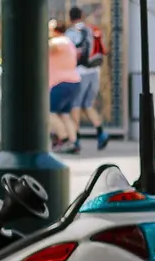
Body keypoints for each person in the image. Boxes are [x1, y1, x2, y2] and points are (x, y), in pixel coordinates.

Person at [65, 7, 109, 150]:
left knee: (75, 106)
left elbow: (68, 53)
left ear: (70, 17)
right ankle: (101, 132)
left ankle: (76, 139)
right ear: (82, 16)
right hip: (94, 72)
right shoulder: (91, 29)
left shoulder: (71, 32)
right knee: (87, 105)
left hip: (79, 73)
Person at [46, 19, 81, 154]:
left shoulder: (59, 41)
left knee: (48, 113)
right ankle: (73, 142)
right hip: (72, 82)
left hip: (62, 83)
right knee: (64, 114)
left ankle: (64, 139)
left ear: (54, 30)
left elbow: (46, 47)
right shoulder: (68, 42)